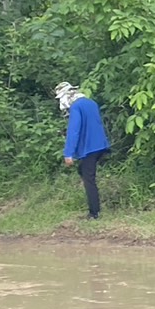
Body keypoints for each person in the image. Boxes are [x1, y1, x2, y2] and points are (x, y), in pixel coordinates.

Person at [54, 82, 110, 220]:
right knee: (84, 172)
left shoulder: (76, 107)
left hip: (89, 148)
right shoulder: (91, 103)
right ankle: (94, 209)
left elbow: (74, 131)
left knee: (88, 179)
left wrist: (68, 153)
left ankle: (94, 213)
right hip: (100, 145)